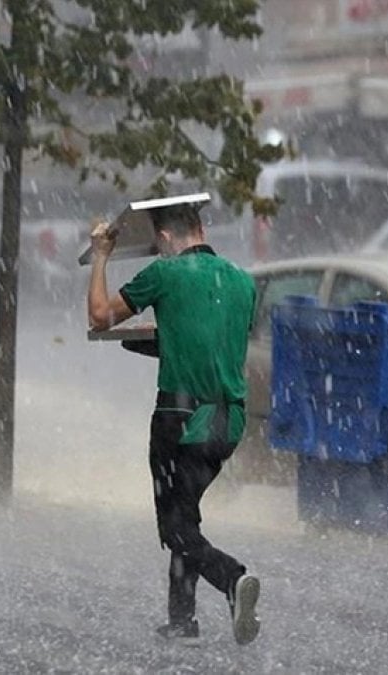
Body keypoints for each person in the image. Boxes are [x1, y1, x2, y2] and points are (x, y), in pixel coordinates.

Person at [87, 202, 262, 645]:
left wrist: (102, 255)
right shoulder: (242, 281)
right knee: (186, 515)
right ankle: (182, 620)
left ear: (163, 238)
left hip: (180, 419)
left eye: (158, 244)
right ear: (201, 227)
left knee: (175, 527)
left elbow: (100, 316)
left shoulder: (164, 275)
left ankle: (231, 578)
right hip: (228, 423)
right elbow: (211, 342)